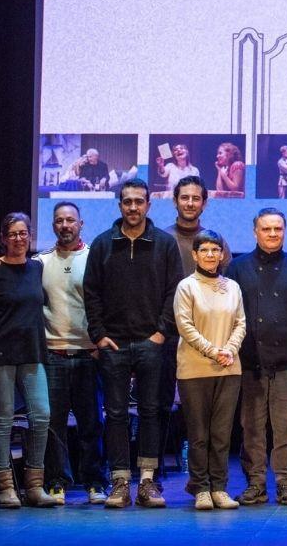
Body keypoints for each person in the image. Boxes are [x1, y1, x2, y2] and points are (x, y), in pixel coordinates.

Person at [84, 178, 183, 509]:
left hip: (151, 343)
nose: (133, 207)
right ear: (119, 205)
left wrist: (161, 332)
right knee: (114, 414)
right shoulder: (102, 244)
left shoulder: (165, 244)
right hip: (113, 344)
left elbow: (174, 292)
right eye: (127, 202)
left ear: (148, 205)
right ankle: (120, 481)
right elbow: (91, 292)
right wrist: (98, 334)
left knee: (151, 412)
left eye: (139, 201)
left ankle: (147, 482)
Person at [229, 208, 287, 506]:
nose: (272, 234)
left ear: (285, 231)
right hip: (249, 361)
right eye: (266, 229)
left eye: (278, 229)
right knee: (251, 427)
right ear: (255, 231)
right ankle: (255, 484)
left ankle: (285, 484)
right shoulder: (238, 268)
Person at [0, 213, 57, 508]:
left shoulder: (36, 268)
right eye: (12, 234)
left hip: (32, 352)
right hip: (0, 355)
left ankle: (34, 486)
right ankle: (5, 488)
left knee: (41, 415)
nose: (19, 239)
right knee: (3, 420)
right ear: (3, 238)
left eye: (23, 233)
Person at [37, 201, 107, 505]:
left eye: (70, 220)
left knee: (92, 424)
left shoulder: (94, 259)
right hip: (54, 354)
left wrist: (99, 345)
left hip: (88, 355)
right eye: (59, 221)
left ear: (81, 224)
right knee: (55, 426)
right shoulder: (39, 262)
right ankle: (57, 482)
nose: (65, 225)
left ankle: (94, 482)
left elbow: (106, 306)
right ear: (53, 226)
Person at [174, 230, 246, 511]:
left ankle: (219, 487)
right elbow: (185, 325)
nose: (210, 255)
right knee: (199, 434)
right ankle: (200, 488)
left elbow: (241, 323)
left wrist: (229, 349)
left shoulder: (233, 287)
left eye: (215, 250)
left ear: (222, 254)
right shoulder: (186, 286)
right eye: (204, 250)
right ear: (194, 254)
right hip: (195, 369)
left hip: (229, 368)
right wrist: (213, 351)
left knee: (221, 434)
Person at [165, 176, 232, 276]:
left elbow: (228, 282)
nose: (190, 203)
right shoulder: (162, 239)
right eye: (184, 198)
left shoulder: (217, 241)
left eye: (196, 199)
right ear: (175, 202)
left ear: (204, 204)